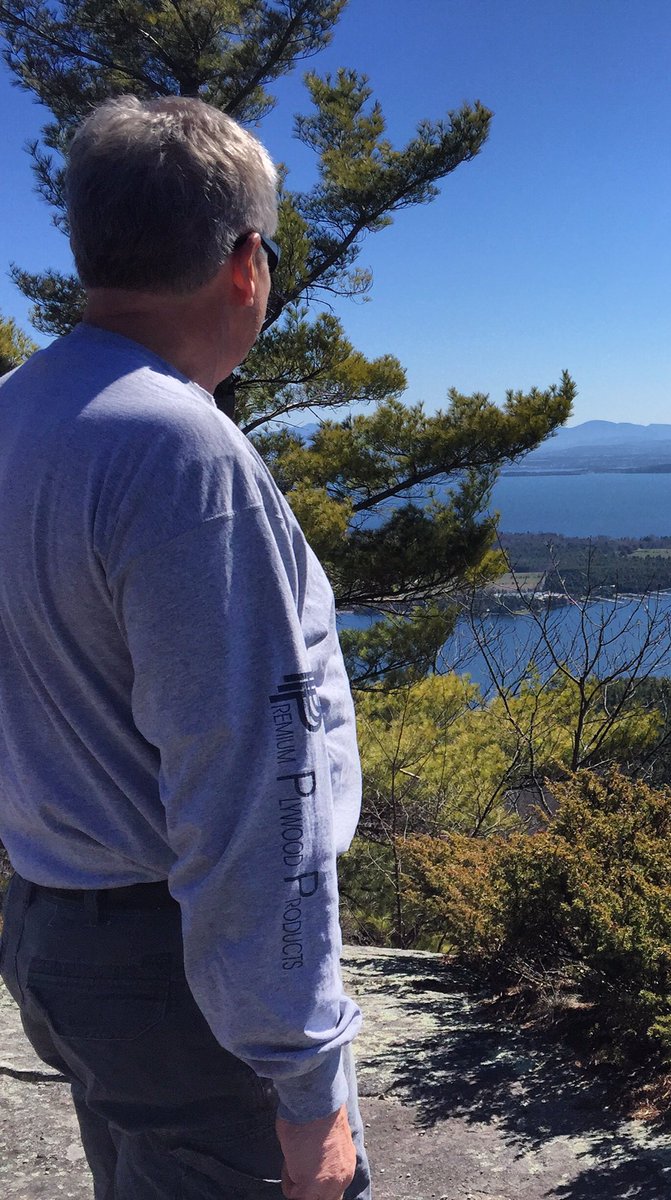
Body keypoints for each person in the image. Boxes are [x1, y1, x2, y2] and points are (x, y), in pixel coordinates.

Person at [0, 95, 370, 1199]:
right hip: (183, 980)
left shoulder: (20, 412)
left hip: (59, 929)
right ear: (246, 264)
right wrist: (307, 1077)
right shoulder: (177, 451)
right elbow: (251, 785)